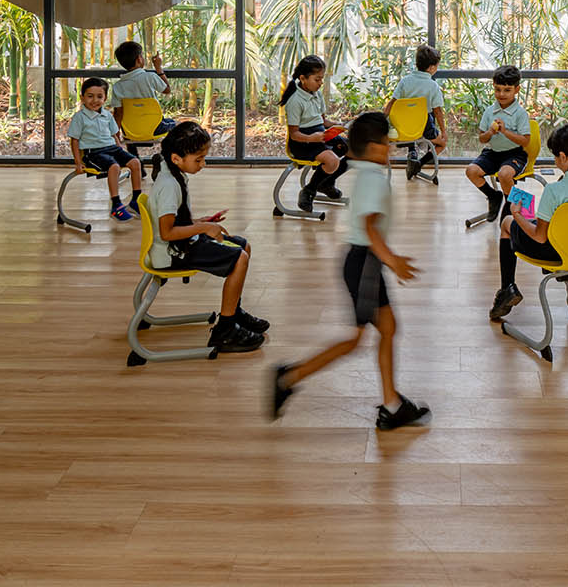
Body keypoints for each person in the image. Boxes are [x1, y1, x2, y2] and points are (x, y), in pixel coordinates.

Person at [269, 111, 430, 430]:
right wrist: (392, 259)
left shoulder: (367, 172)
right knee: (358, 339)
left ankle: (391, 404)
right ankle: (288, 378)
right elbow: (368, 226)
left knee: (387, 329)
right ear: (372, 147)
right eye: (387, 144)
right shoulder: (371, 178)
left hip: (363, 262)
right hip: (365, 263)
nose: (390, 149)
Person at [147, 122, 269, 353]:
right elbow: (166, 232)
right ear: (176, 158)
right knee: (239, 258)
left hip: (180, 244)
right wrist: (202, 229)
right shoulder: (168, 185)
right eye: (198, 159)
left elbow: (175, 223)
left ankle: (233, 312)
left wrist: (202, 222)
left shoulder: (173, 174)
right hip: (173, 253)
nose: (203, 164)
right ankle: (225, 331)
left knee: (243, 245)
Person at [491, 121, 568, 321]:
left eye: (555, 156)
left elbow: (540, 237)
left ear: (564, 157)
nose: (555, 161)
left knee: (506, 223)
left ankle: (508, 288)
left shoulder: (554, 191)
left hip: (555, 252)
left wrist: (517, 215)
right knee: (565, 229)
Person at [66, 75, 143, 220]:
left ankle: (135, 200)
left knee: (135, 162)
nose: (95, 100)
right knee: (114, 167)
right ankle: (116, 205)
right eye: (90, 96)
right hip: (92, 153)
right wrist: (78, 162)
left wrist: (121, 150)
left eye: (99, 96)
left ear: (105, 98)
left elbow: (115, 135)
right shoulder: (80, 117)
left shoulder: (107, 115)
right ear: (82, 98)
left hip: (112, 149)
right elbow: (74, 140)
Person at [281, 54, 349, 213]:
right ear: (303, 78)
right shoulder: (295, 101)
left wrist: (340, 126)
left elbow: (323, 121)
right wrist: (311, 138)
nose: (320, 83)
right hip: (302, 142)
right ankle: (309, 190)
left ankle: (326, 182)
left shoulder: (317, 94)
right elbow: (294, 134)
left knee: (352, 150)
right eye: (317, 79)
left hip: (319, 135)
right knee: (332, 161)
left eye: (321, 79)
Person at [465, 64, 531, 221]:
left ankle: (511, 205)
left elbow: (526, 141)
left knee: (504, 174)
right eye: (497, 89)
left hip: (514, 153)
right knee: (471, 171)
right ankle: (494, 196)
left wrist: (505, 131)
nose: (501, 94)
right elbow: (482, 138)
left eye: (507, 90)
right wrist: (490, 132)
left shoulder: (520, 114)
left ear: (516, 90)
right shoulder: (489, 111)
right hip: (492, 153)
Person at [385, 43, 448, 176]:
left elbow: (392, 103)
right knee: (442, 144)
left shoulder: (405, 81)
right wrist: (443, 131)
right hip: (423, 127)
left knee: (408, 120)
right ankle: (419, 164)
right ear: (431, 68)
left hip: (402, 128)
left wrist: (382, 121)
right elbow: (438, 112)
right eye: (437, 65)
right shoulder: (433, 86)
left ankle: (412, 152)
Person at [110, 39, 176, 139]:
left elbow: (118, 114)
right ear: (139, 59)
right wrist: (158, 68)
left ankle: (132, 153)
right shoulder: (150, 77)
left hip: (130, 131)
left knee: (130, 130)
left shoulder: (117, 87)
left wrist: (116, 137)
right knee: (174, 123)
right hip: (155, 128)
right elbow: (167, 90)